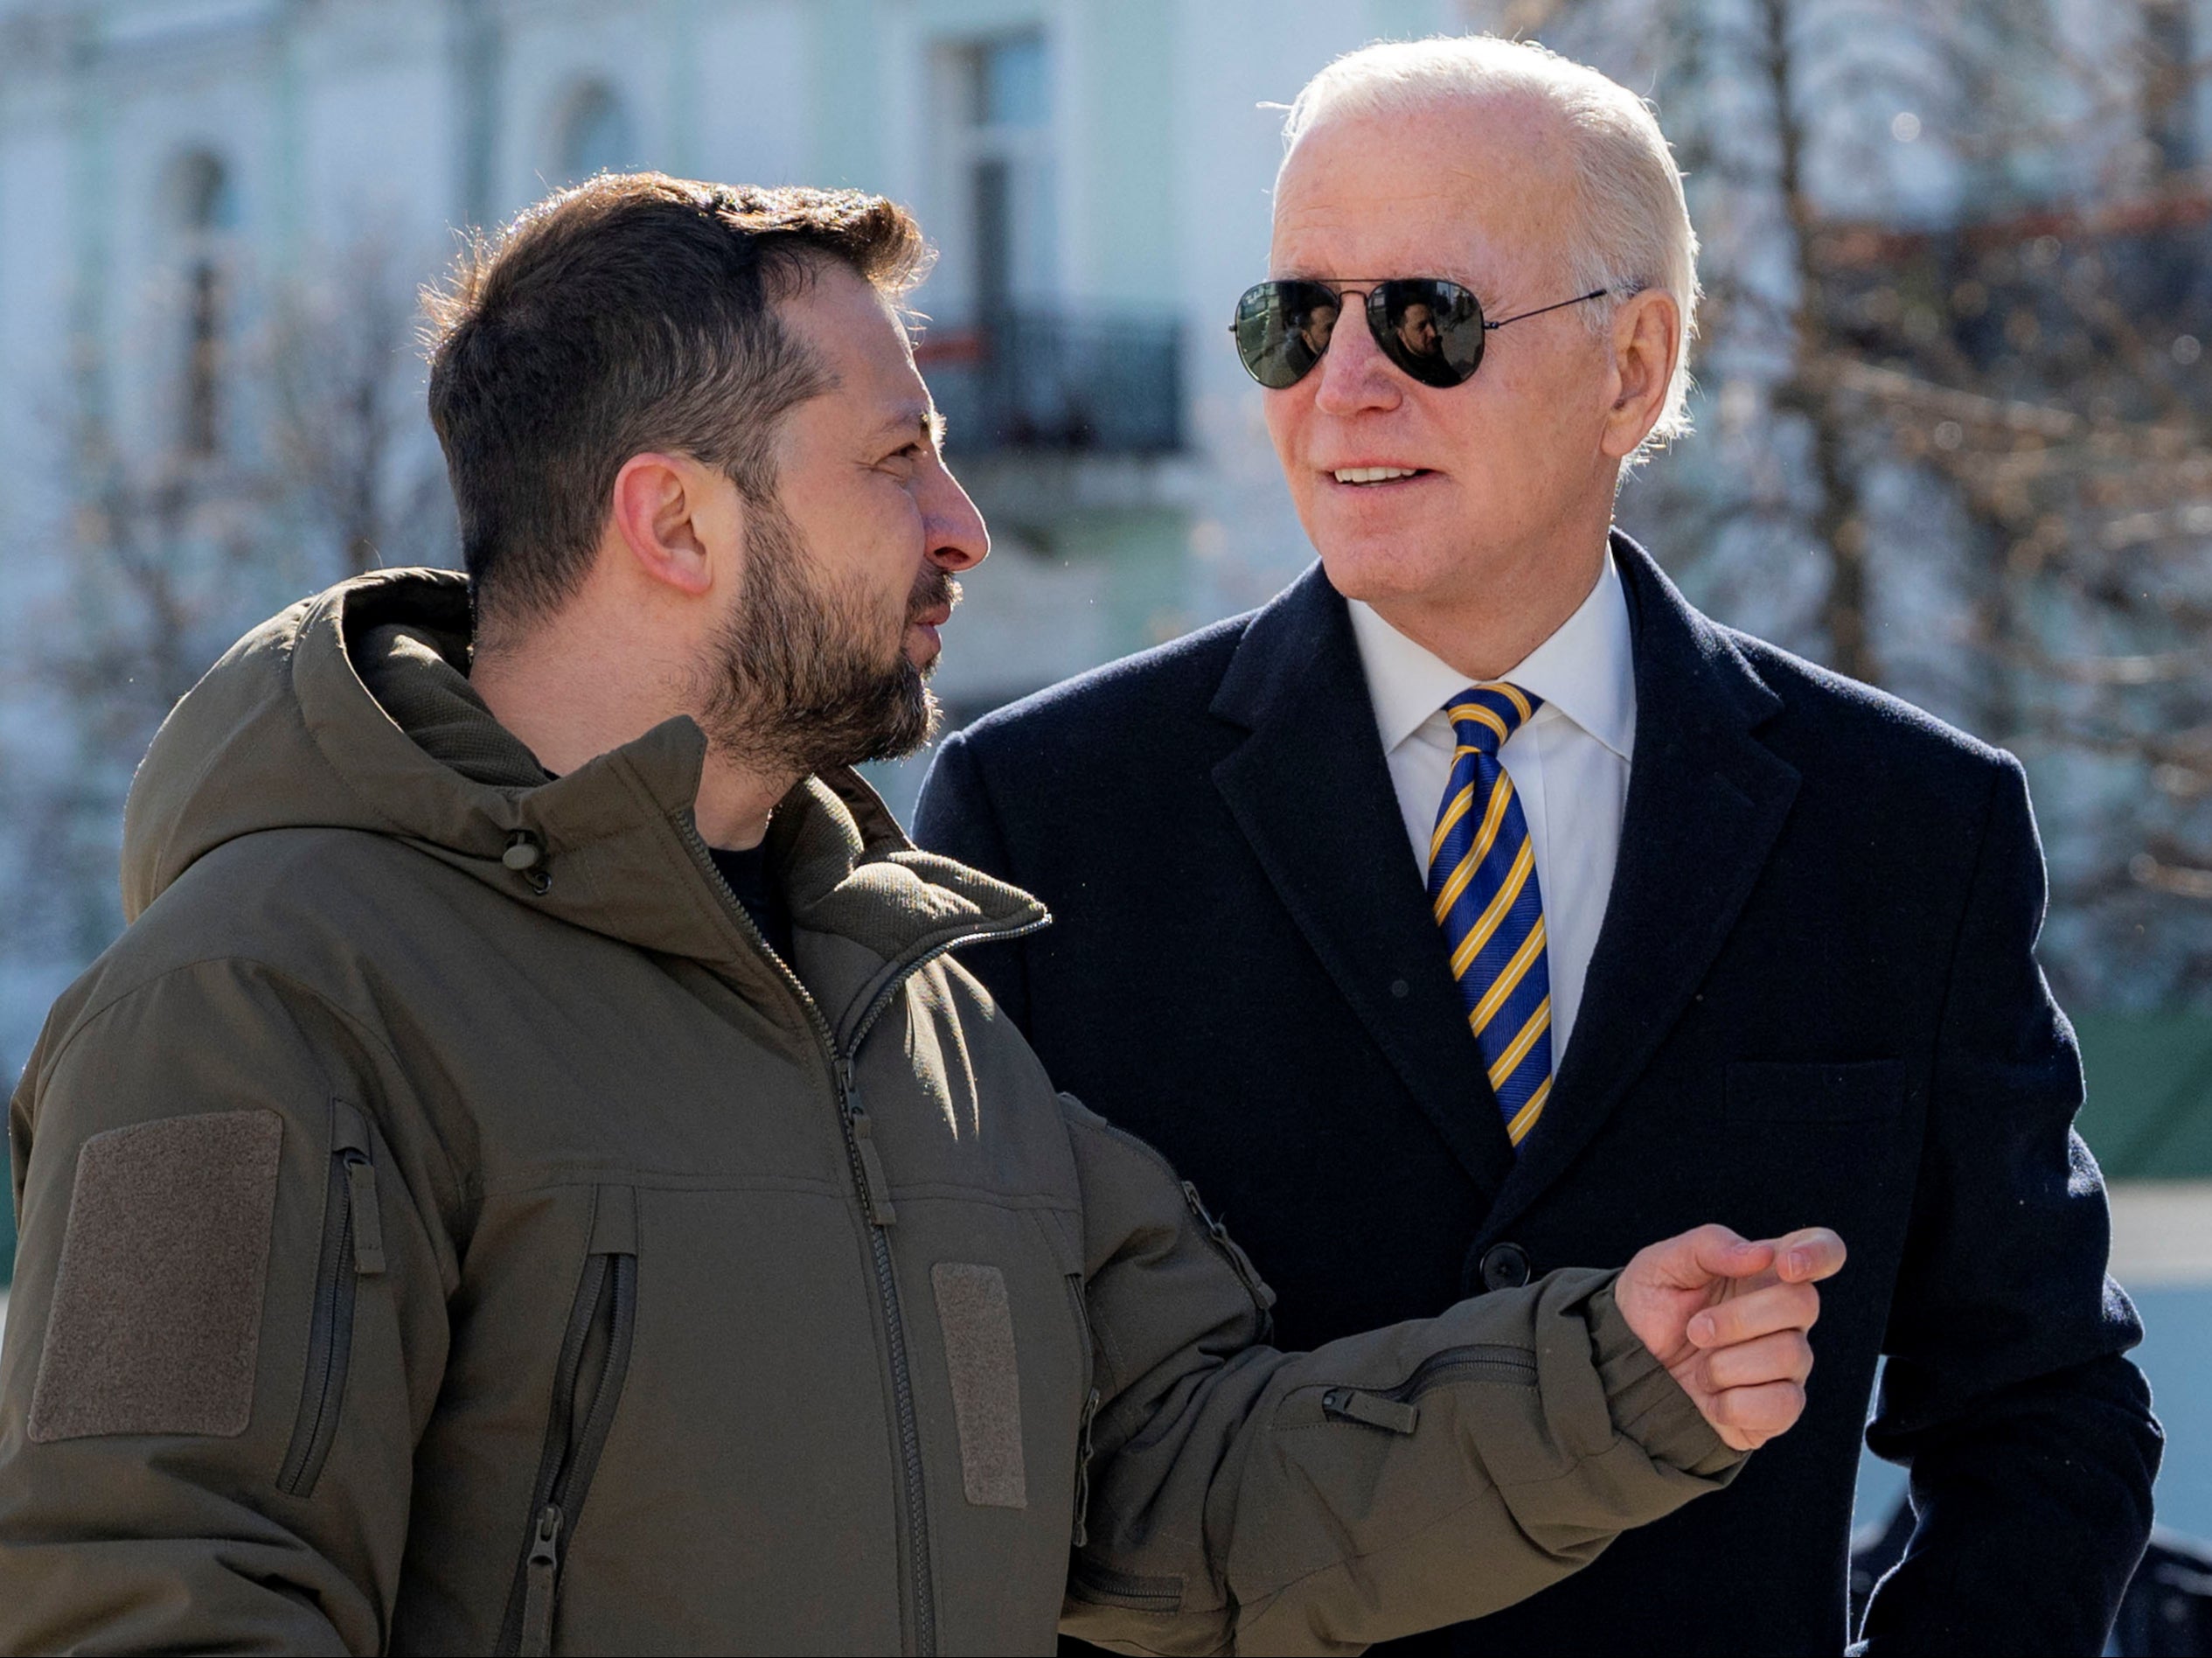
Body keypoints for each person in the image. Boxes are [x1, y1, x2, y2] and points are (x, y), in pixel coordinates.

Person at [0, 174, 1840, 1657]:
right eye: (894, 459)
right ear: (675, 522)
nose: (961, 521)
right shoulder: (256, 996)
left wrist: (1600, 1387)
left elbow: (1159, 1494)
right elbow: (144, 1590)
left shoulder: (916, 1017)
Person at [915, 36, 2161, 1658]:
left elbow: (2043, 1409)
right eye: (1292, 321)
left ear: (1631, 367)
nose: (1342, 385)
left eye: (1424, 320)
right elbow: (990, 1456)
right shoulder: (1044, 813)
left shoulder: (1905, 822)